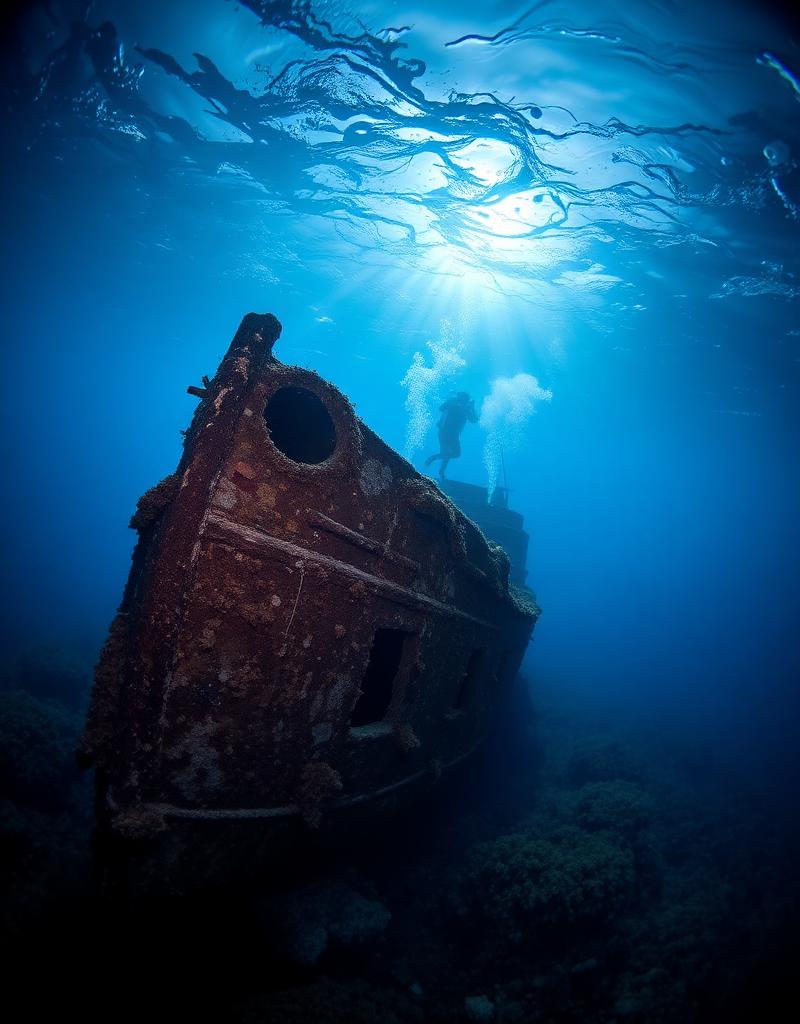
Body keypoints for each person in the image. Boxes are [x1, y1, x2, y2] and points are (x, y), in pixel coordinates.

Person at [425, 391, 477, 480]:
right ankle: (441, 471)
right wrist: (456, 404)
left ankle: (438, 466)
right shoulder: (452, 402)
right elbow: (441, 408)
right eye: (461, 398)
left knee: (453, 454)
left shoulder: (466, 408)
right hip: (444, 431)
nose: (462, 401)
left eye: (465, 400)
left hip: (454, 434)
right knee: (447, 453)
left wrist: (472, 408)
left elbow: (474, 420)